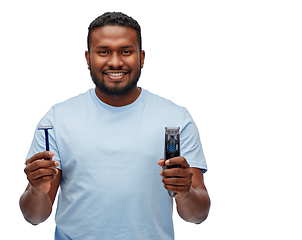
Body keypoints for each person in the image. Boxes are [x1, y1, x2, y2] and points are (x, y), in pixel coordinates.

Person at [19, 12, 210, 240]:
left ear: (142, 57)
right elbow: (35, 216)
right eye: (104, 52)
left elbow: (197, 215)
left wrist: (185, 192)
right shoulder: (57, 120)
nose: (115, 61)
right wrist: (36, 190)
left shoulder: (175, 119)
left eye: (126, 51)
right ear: (88, 58)